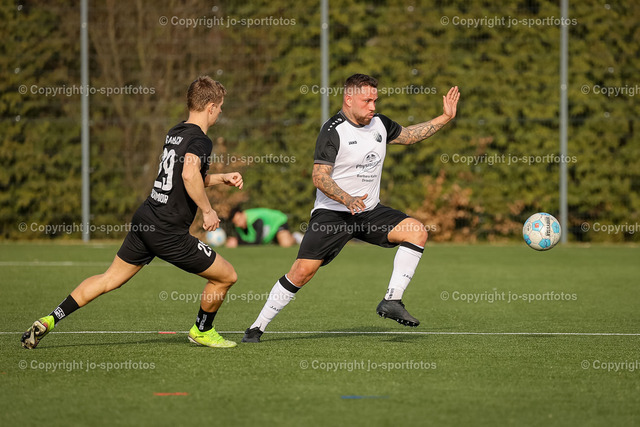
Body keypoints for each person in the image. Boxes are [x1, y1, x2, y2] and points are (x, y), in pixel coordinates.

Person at [21, 76, 243, 349]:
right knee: (226, 276)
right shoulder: (201, 140)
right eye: (220, 107)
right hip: (167, 231)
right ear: (210, 107)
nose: (220, 112)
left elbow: (186, 176)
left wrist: (222, 178)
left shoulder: (176, 131)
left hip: (146, 218)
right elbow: (188, 175)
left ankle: (49, 320)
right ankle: (202, 330)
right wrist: (208, 211)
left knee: (108, 279)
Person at [242, 73, 460, 343]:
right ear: (348, 99)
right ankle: (256, 328)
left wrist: (445, 117)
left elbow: (409, 135)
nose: (373, 106)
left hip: (369, 212)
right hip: (333, 214)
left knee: (416, 231)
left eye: (375, 100)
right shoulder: (333, 131)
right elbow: (319, 177)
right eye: (367, 101)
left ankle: (392, 300)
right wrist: (346, 198)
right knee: (302, 272)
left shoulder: (380, 123)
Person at [226, 207, 296, 247]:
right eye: (236, 222)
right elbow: (243, 241)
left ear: (243, 214)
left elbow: (257, 243)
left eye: (239, 219)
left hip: (278, 221)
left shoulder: (256, 221)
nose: (239, 224)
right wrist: (236, 241)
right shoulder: (238, 227)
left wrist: (238, 243)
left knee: (285, 244)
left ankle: (296, 237)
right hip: (269, 232)